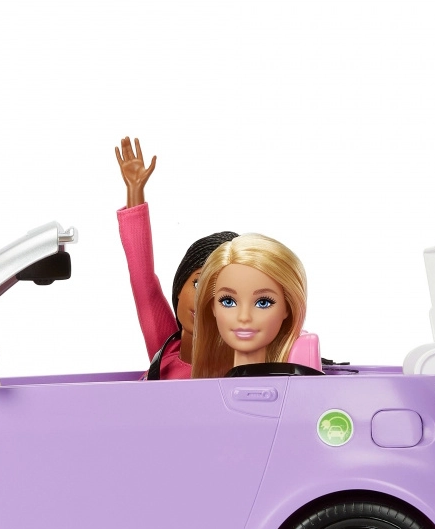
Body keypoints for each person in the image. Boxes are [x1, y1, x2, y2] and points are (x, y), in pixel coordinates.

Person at [115, 136, 236, 379]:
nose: (205, 300)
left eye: (224, 296)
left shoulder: (237, 370)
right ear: (180, 287)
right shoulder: (166, 350)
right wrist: (135, 192)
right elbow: (143, 281)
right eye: (198, 283)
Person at [191, 233, 307, 379]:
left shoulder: (299, 381)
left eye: (263, 303)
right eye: (228, 301)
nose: (244, 317)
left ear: (287, 308)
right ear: (213, 306)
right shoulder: (204, 386)